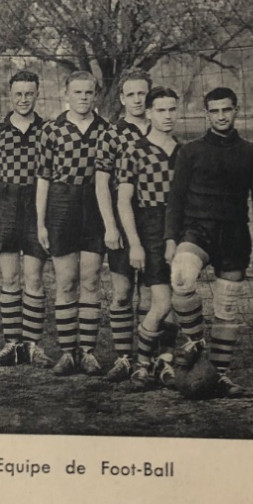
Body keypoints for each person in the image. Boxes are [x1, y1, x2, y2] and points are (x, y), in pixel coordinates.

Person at [165, 86, 253, 398]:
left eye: (227, 109)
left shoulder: (250, 152)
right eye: (215, 111)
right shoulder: (191, 151)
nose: (222, 116)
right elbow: (176, 199)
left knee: (226, 308)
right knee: (181, 276)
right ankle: (196, 339)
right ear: (206, 114)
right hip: (198, 230)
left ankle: (220, 376)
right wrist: (171, 238)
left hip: (235, 234)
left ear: (237, 110)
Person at [35, 71, 108, 376]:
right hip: (61, 207)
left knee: (90, 281)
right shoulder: (52, 130)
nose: (83, 97)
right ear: (66, 94)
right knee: (66, 282)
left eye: (88, 92)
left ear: (95, 95)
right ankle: (68, 352)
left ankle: (88, 352)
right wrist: (40, 223)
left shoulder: (106, 130)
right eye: (77, 92)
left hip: (94, 207)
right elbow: (42, 178)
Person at [0, 70, 51, 367]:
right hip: (5, 205)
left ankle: (33, 345)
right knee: (9, 279)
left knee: (33, 278)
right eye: (18, 94)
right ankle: (11, 343)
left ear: (37, 94)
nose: (23, 99)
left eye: (29, 93)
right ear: (10, 95)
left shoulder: (47, 130)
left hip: (35, 205)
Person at [116, 86, 180, 388]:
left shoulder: (183, 150)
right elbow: (123, 201)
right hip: (150, 229)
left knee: (178, 298)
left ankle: (165, 362)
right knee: (161, 301)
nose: (167, 116)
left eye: (172, 110)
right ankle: (141, 364)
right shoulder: (135, 151)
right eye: (161, 110)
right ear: (150, 113)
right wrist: (135, 243)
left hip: (179, 229)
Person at [93, 70, 151, 381]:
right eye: (131, 94)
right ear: (122, 98)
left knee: (152, 294)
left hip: (153, 221)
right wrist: (110, 226)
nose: (137, 99)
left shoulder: (160, 130)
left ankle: (148, 358)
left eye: (143, 93)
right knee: (122, 292)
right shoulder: (112, 135)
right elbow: (102, 185)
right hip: (121, 218)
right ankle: (124, 357)